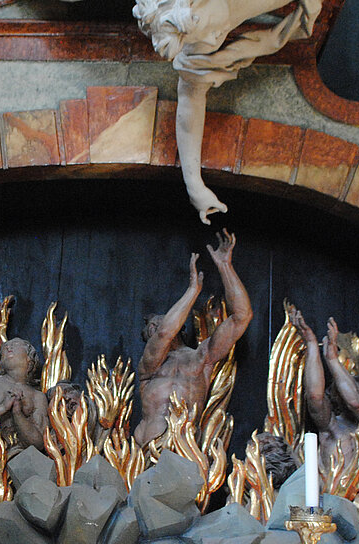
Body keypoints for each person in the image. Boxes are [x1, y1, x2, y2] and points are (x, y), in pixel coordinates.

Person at [134, 0, 321, 223]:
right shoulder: (200, 43)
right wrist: (194, 185)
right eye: (203, 36)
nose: (213, 39)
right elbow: (190, 102)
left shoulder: (194, 17)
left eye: (207, 29)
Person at [136, 229, 252, 445]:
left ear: (180, 326)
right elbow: (164, 334)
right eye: (148, 329)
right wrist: (192, 291)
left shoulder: (202, 357)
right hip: (147, 452)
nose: (153, 327)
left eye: (157, 321)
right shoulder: (149, 366)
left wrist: (225, 267)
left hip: (185, 453)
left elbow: (242, 317)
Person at [291, 307, 359, 459]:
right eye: (338, 388)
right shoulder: (330, 427)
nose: (344, 393)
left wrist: (332, 359)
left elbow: (356, 402)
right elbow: (314, 396)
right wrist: (311, 344)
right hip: (328, 483)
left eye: (353, 385)